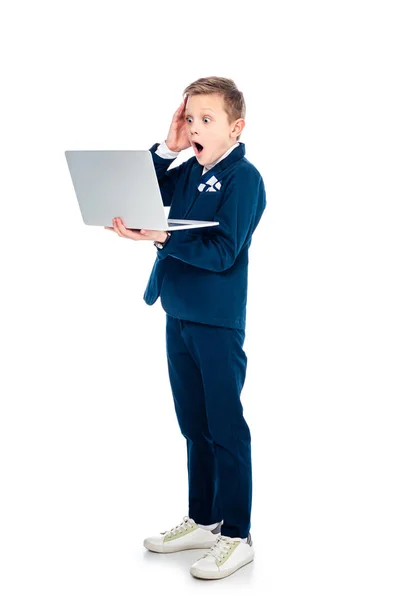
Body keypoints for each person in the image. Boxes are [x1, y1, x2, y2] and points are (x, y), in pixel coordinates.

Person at [105, 76, 267, 580]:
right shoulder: (190, 170)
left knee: (225, 427)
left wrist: (160, 237)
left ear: (235, 128)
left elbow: (223, 253)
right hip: (178, 312)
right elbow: (141, 193)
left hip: (216, 319)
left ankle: (236, 535)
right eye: (189, 117)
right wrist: (166, 147)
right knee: (194, 426)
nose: (194, 126)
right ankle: (203, 519)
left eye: (206, 119)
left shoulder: (244, 179)